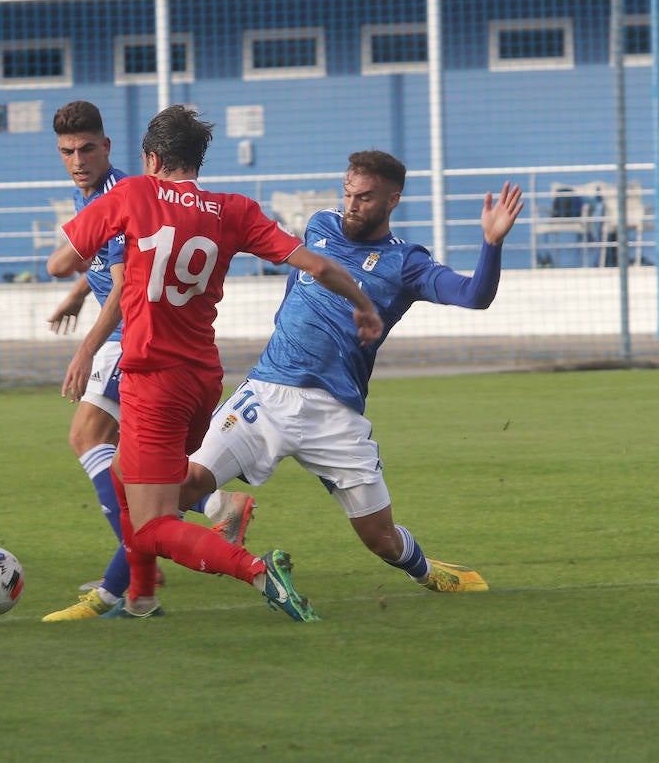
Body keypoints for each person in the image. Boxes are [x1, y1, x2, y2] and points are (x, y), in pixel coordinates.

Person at [48, 105, 383, 622]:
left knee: (152, 524)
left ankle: (255, 569)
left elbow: (60, 262)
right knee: (125, 475)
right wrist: (363, 306)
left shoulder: (132, 193)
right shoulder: (235, 210)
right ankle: (141, 597)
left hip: (151, 380)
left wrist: (87, 253)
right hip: (204, 382)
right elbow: (315, 264)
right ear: (197, 160)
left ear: (150, 158)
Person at [180, 150, 523, 594]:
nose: (351, 205)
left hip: (334, 415)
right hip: (267, 394)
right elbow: (296, 282)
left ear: (392, 200)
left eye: (364, 197)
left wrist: (491, 243)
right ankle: (140, 577)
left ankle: (429, 573)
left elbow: (475, 295)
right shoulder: (320, 225)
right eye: (347, 193)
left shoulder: (407, 264)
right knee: (179, 486)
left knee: (381, 540)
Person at [40, 101, 256, 623]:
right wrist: (75, 294)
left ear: (109, 148)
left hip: (132, 340)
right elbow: (112, 262)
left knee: (88, 437)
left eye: (87, 148)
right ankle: (189, 528)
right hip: (135, 342)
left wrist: (88, 346)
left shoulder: (124, 192)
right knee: (121, 464)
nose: (78, 160)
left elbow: (121, 282)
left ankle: (130, 575)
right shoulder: (91, 192)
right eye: (68, 151)